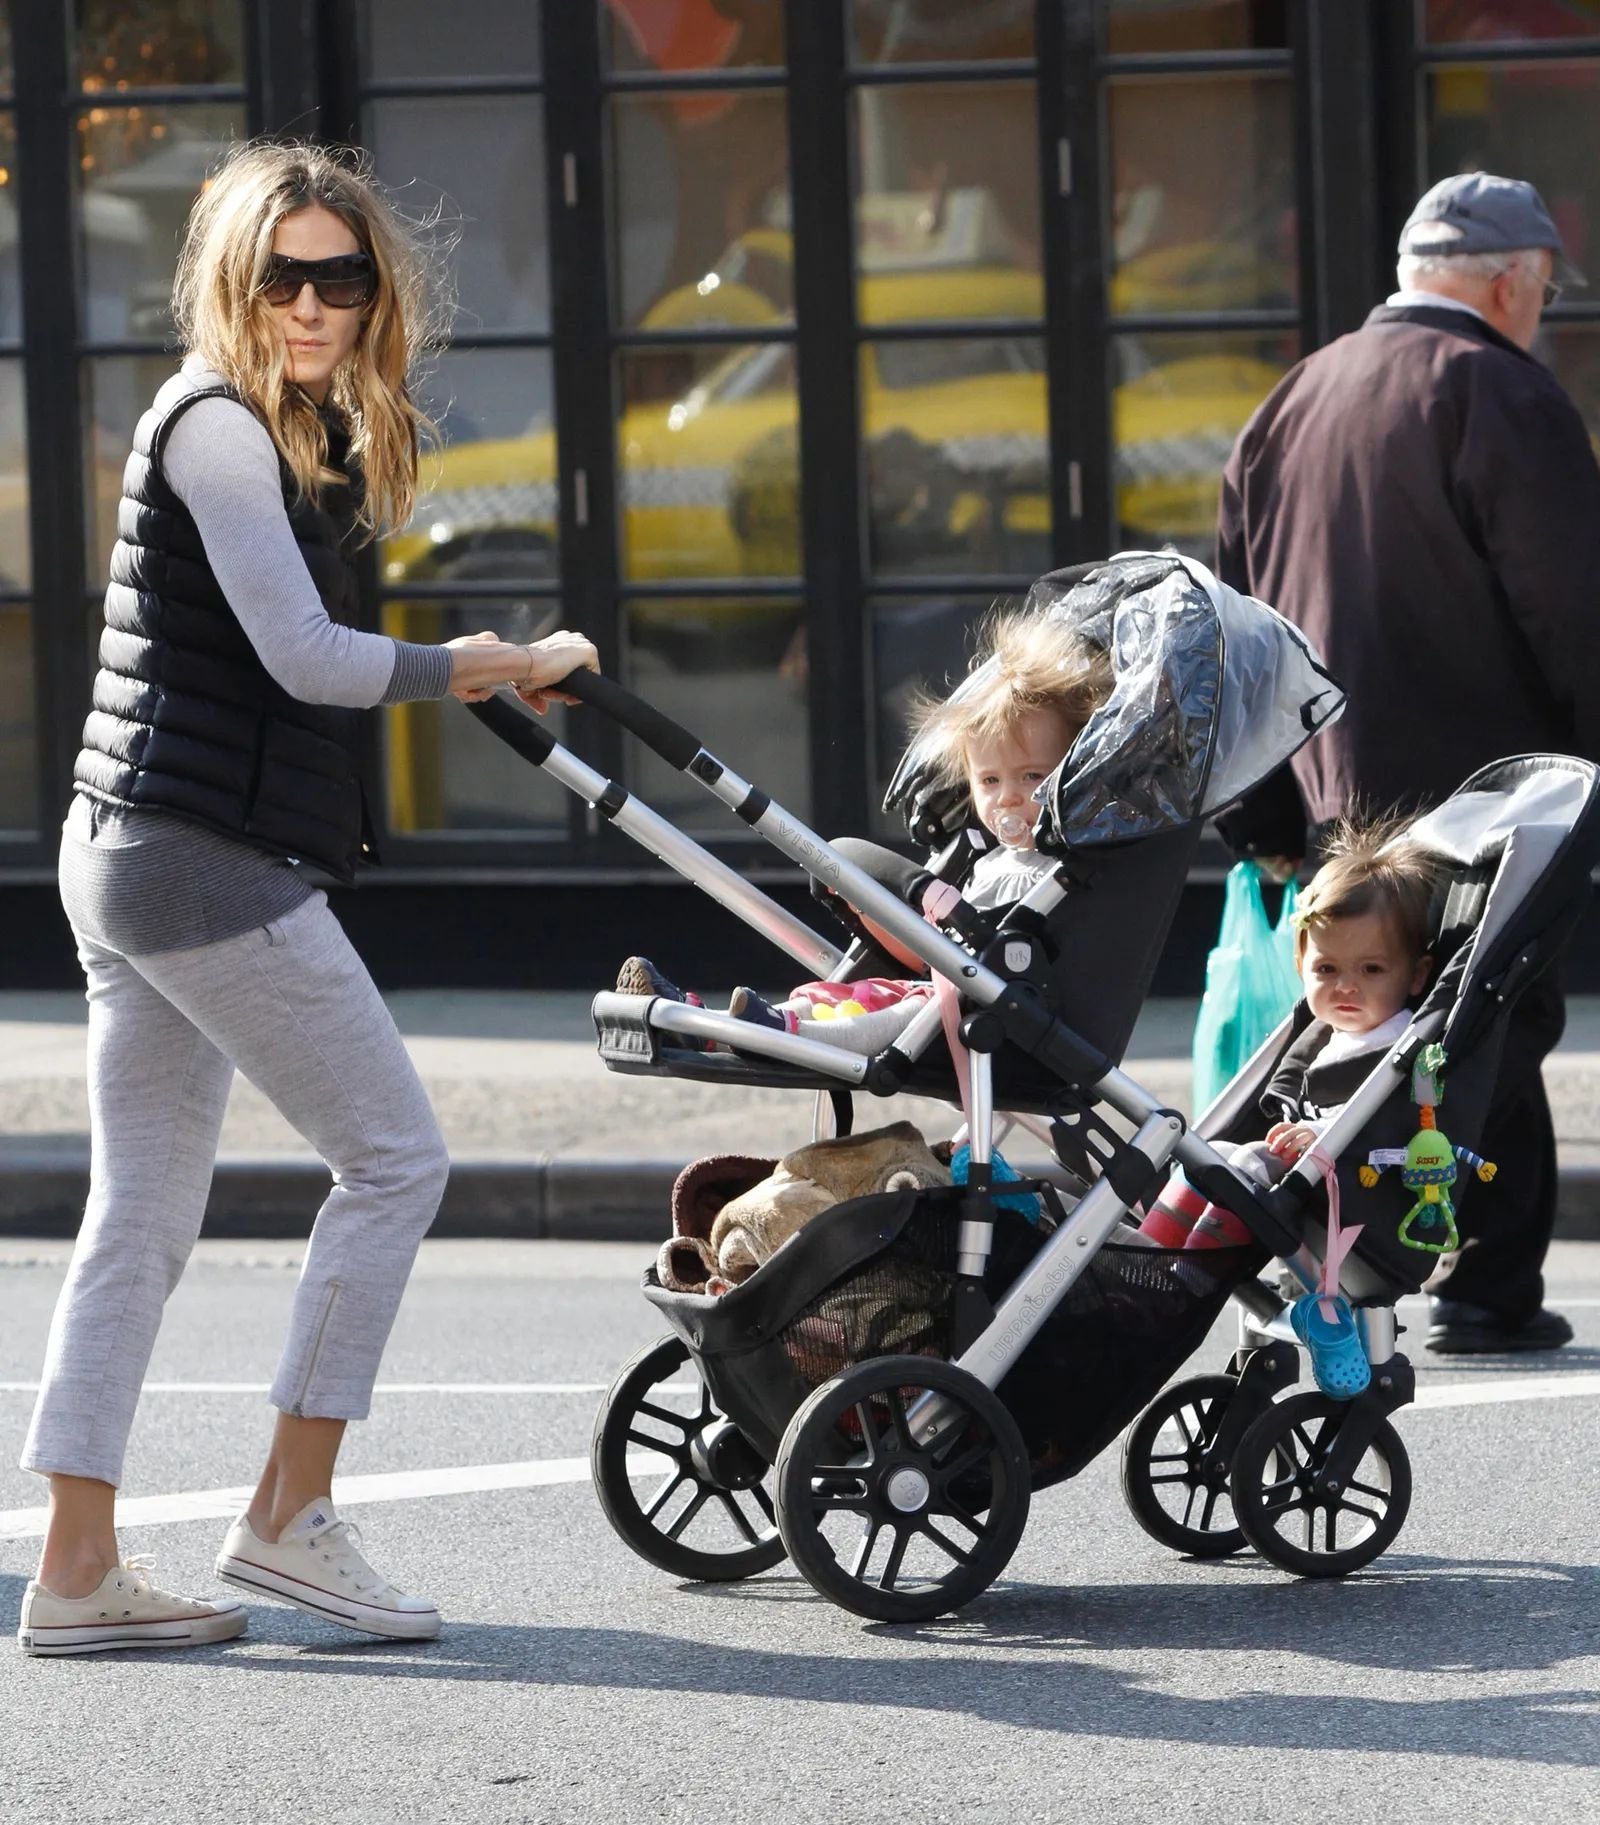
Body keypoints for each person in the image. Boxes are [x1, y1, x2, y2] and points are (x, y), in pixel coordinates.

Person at [15, 141, 599, 1659]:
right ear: (232, 276)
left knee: (137, 1215)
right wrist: (479, 662)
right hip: (194, 854)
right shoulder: (216, 429)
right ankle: (289, 1523)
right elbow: (306, 662)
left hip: (136, 845)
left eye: (345, 277)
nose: (318, 303)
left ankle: (74, 1570)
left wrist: (470, 664)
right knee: (398, 1159)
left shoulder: (273, 428)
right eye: (288, 275)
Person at [1210, 170, 1600, 1354]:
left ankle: (1354, 1242)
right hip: (1491, 797)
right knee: (1485, 1021)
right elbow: (1574, 611)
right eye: (1539, 293)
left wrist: (1267, 812)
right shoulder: (1500, 392)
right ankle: (1483, 1286)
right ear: (1506, 283)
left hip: (1342, 801)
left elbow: (1241, 623)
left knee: (1385, 1029)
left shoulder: (1294, 396)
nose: (1539, 312)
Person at [616, 608, 1114, 1055]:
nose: (1007, 796)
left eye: (1031, 777)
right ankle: (713, 1025)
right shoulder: (982, 859)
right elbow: (929, 951)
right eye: (989, 780)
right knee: (832, 997)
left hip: (990, 1015)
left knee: (894, 1015)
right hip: (937, 989)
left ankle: (776, 1036)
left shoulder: (1061, 867)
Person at [1146, 821, 1436, 1249]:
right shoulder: (1323, 1035)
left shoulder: (1403, 1045)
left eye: (1371, 969)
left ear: (1416, 975)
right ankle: (1149, 1248)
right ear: (1301, 965)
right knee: (1209, 1157)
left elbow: (1400, 1120)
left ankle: (1191, 1274)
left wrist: (1321, 1137)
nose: (1346, 986)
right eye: (1326, 969)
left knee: (1245, 1162)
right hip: (1308, 1173)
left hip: (1361, 1185)